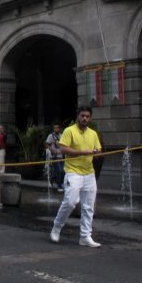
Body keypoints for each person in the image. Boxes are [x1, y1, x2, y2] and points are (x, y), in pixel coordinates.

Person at [49, 106, 102, 248]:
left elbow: (98, 150)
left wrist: (97, 153)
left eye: (87, 116)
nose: (85, 118)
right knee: (71, 202)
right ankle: (57, 227)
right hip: (73, 171)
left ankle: (85, 236)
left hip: (89, 172)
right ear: (78, 116)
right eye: (82, 116)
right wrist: (83, 152)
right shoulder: (69, 131)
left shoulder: (93, 134)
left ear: (90, 118)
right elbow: (63, 149)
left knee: (88, 206)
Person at [44, 124, 65, 192]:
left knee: (62, 171)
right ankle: (59, 185)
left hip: (61, 156)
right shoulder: (51, 136)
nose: (55, 129)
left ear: (59, 129)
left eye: (57, 128)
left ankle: (52, 181)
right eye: (54, 128)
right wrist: (51, 149)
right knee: (59, 170)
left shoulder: (61, 135)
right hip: (55, 156)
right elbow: (46, 144)